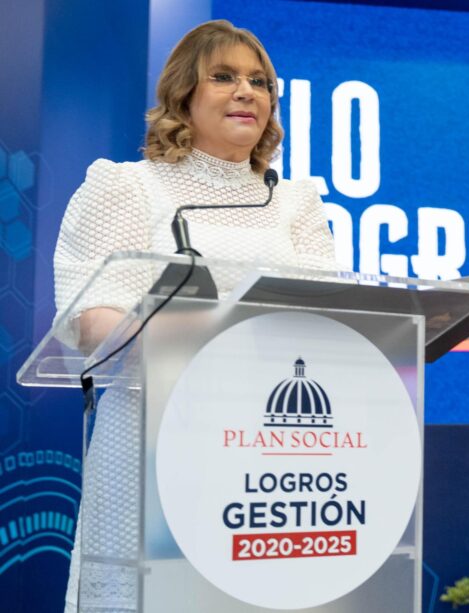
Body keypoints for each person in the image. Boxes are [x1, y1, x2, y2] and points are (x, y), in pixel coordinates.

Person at [53, 20, 336, 611]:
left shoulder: (296, 202)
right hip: (157, 439)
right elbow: (90, 320)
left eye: (260, 82)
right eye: (224, 77)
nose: (247, 92)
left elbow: (331, 322)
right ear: (183, 94)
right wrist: (190, 330)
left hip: (277, 456)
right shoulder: (128, 187)